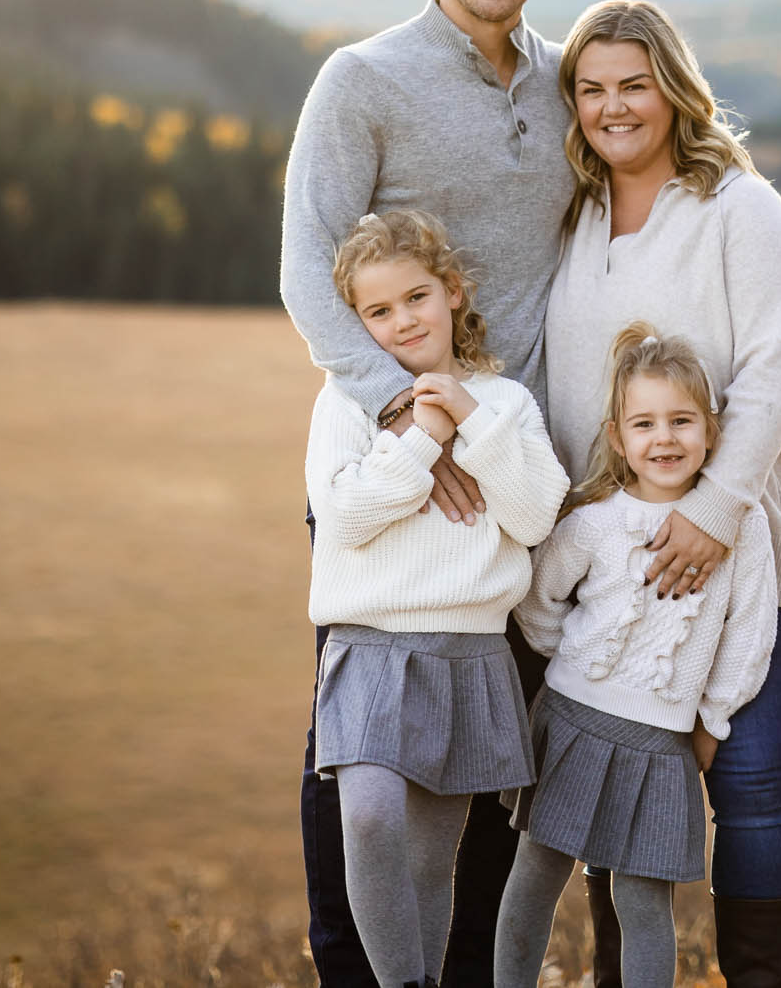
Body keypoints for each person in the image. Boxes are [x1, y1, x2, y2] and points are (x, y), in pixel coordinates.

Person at [280, 0, 580, 987]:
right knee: (357, 751)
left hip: (513, 466)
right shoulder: (361, 79)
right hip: (395, 457)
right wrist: (407, 414)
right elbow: (308, 268)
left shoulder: (566, 85)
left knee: (491, 748)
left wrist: (491, 435)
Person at [542, 0, 781, 988]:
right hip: (613, 561)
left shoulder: (738, 208)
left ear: (671, 86)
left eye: (632, 83)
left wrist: (709, 513)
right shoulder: (573, 216)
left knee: (746, 785)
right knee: (618, 790)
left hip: (735, 546)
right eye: (590, 87)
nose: (613, 106)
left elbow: (777, 372)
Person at [308, 209, 572, 988]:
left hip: (470, 654)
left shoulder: (508, 404)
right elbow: (346, 515)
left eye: (416, 297)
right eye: (377, 311)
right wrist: (421, 434)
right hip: (370, 647)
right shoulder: (347, 402)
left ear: (452, 291)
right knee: (370, 816)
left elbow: (532, 516)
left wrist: (468, 418)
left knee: (430, 863)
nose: (401, 322)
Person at [494, 324, 777, 988]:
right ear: (619, 437)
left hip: (662, 744)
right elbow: (537, 600)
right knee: (534, 877)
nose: (665, 438)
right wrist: (578, 664)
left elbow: (750, 631)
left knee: (644, 903)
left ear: (711, 429)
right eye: (645, 423)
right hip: (571, 724)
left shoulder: (742, 525)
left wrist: (711, 718)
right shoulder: (592, 522)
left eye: (682, 420)